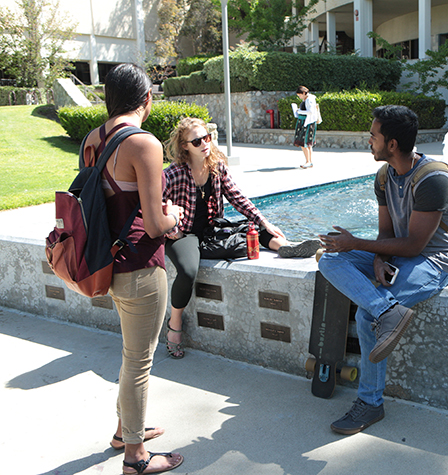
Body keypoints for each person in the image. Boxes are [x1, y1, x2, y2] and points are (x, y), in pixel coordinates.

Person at [317, 105, 448, 435]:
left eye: (373, 136)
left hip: (434, 261)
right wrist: (378, 259)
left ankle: (370, 403)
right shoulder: (384, 176)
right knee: (330, 258)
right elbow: (386, 235)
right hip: (400, 254)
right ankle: (389, 311)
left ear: (392, 145)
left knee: (368, 316)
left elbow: (414, 246)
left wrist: (357, 244)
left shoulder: (433, 179)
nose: (369, 141)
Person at [86, 63, 184, 474]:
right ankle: (135, 456)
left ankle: (124, 430)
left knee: (130, 355)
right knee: (140, 360)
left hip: (107, 263)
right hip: (142, 265)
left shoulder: (93, 139)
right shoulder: (144, 143)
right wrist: (174, 214)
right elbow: (156, 222)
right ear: (146, 99)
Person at [163, 117, 322, 359]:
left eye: (207, 138)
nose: (205, 144)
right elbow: (154, 205)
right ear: (184, 145)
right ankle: (174, 326)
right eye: (197, 141)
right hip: (184, 235)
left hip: (213, 229)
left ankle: (286, 247)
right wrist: (170, 226)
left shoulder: (217, 166)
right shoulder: (174, 173)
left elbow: (238, 198)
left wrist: (265, 221)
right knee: (187, 271)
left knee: (253, 228)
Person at [292, 86, 322, 168]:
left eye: (300, 95)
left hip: (307, 123)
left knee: (304, 143)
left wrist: (299, 111)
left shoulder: (309, 99)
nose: (299, 97)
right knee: (307, 144)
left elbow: (310, 111)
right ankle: (309, 161)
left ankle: (308, 161)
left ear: (304, 93)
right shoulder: (307, 99)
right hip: (306, 122)